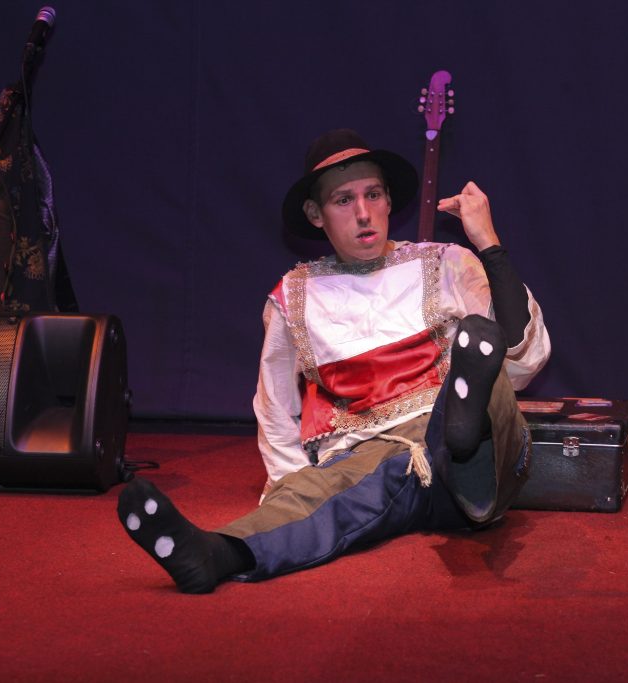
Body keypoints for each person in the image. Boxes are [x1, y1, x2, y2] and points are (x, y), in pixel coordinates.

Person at [117, 128, 551, 593]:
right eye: (344, 200)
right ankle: (218, 552)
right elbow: (275, 408)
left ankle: (466, 435)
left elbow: (525, 358)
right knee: (340, 490)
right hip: (386, 459)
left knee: (486, 368)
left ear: (388, 201)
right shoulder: (295, 296)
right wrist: (294, 488)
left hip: (478, 450)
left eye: (373, 194)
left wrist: (488, 243)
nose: (363, 212)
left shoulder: (445, 262)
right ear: (315, 213)